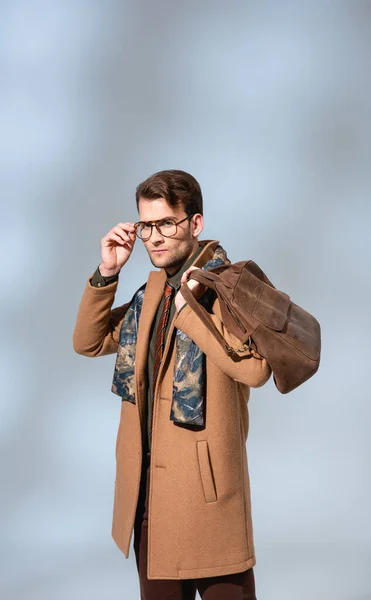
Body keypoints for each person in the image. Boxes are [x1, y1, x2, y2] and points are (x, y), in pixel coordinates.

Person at [73, 169, 272, 599]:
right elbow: (88, 342)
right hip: (150, 496)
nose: (155, 237)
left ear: (195, 224)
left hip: (207, 497)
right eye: (147, 225)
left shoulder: (230, 286)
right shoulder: (152, 291)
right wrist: (107, 271)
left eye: (167, 223)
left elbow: (256, 369)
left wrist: (189, 313)